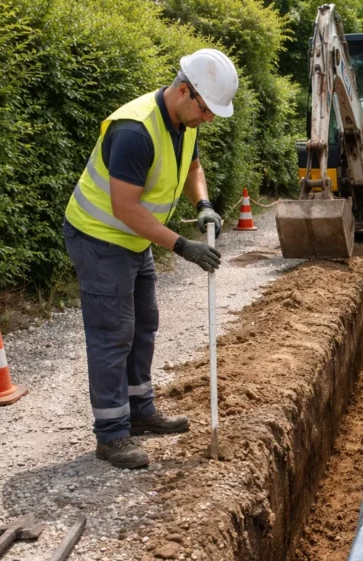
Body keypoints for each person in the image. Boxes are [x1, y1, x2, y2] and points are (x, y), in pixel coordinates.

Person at [62, 48, 238, 469]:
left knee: (144, 324)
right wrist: (183, 246)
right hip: (100, 236)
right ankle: (111, 435)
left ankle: (140, 412)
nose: (209, 119)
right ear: (183, 91)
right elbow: (124, 207)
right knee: (113, 333)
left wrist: (204, 204)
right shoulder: (135, 131)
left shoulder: (184, 120)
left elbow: (192, 165)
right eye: (207, 110)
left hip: (134, 240)